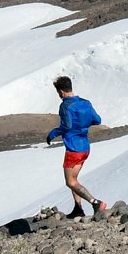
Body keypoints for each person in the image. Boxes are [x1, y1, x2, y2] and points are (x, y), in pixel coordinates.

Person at [46, 75, 107, 217]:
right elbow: (97, 120)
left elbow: (66, 125)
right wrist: (82, 124)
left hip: (73, 148)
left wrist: (52, 133)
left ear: (61, 92)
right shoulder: (86, 102)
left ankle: (95, 202)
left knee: (71, 182)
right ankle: (78, 209)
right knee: (75, 179)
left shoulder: (65, 106)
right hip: (85, 147)